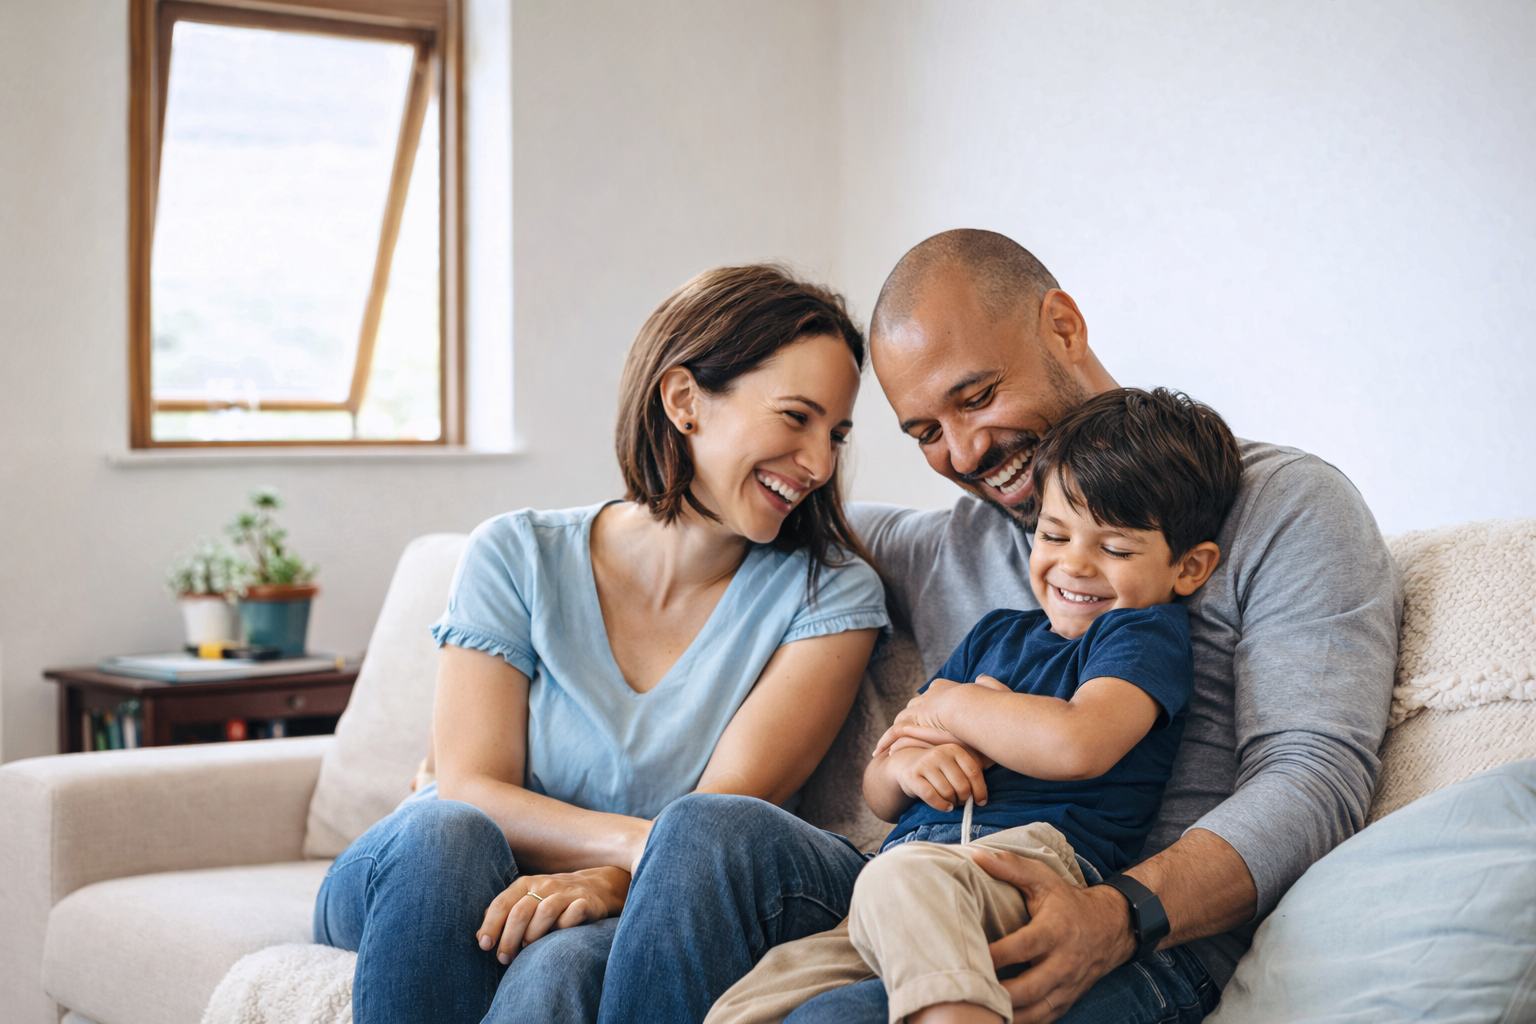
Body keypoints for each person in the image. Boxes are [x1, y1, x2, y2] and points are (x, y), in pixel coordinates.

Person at [595, 230, 1402, 1024]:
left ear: (1064, 328)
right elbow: (759, 503)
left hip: (1136, 929)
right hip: (926, 881)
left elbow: (1312, 777)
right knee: (700, 831)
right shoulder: (944, 548)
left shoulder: (1283, 506)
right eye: (925, 433)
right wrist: (609, 513)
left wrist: (1120, 917)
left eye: (977, 397)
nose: (965, 452)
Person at [311, 264, 890, 1024]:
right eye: (796, 417)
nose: (819, 464)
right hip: (431, 874)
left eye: (836, 435)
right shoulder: (514, 554)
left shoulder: (829, 596)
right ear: (683, 400)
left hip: (627, 902)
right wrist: (633, 852)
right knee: (449, 832)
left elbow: (709, 834)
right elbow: (470, 789)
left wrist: (613, 880)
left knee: (561, 966)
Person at [706, 387, 1243, 1024]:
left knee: (901, 881)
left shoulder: (1140, 633)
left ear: (1189, 568)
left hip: (1025, 867)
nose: (1074, 565)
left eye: (1116, 549)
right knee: (751, 1000)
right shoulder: (995, 635)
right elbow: (882, 786)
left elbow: (1078, 742)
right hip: (899, 878)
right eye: (1054, 534)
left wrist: (955, 709)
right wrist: (908, 767)